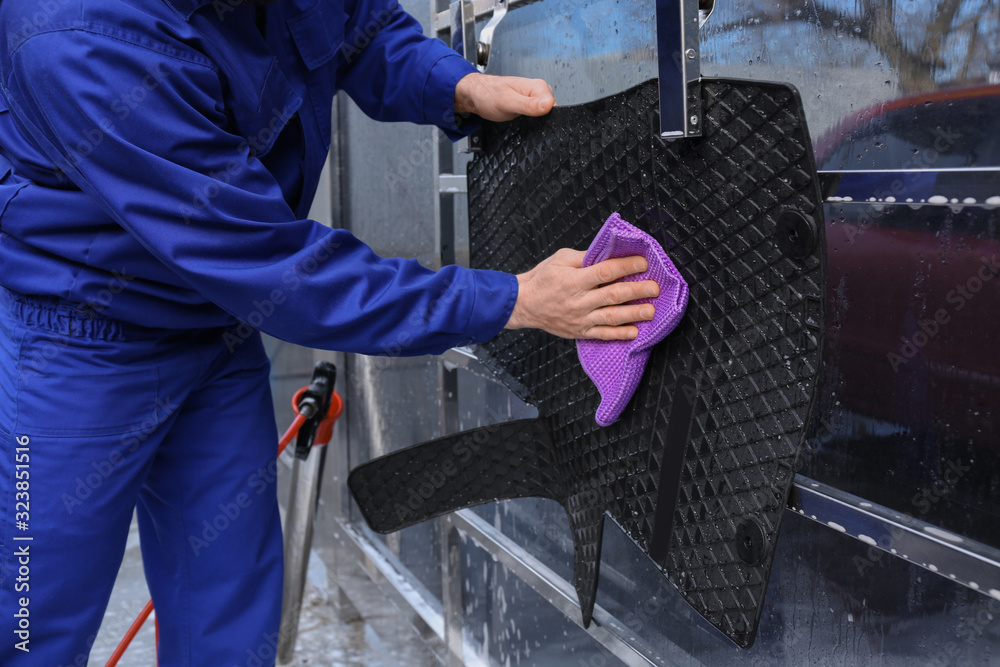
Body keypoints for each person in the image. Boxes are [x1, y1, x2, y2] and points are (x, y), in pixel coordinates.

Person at [0, 0, 658, 663]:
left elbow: (356, 26)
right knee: (35, 618)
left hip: (216, 329)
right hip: (81, 345)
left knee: (228, 615)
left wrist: (452, 83)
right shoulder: (80, 41)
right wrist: (513, 299)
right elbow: (277, 269)